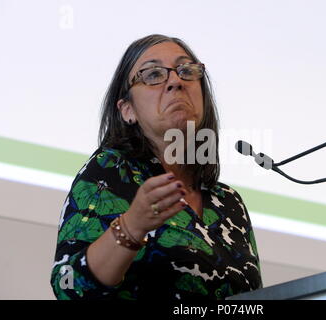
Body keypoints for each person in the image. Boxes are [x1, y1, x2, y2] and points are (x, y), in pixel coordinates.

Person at [50, 34, 263, 300]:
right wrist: (132, 226)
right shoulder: (109, 172)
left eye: (186, 71)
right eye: (152, 75)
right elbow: (69, 285)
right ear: (128, 110)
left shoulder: (229, 202)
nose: (176, 81)